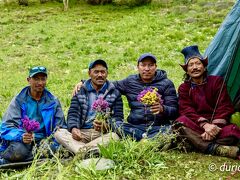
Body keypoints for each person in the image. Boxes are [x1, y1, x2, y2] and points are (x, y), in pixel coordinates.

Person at [73, 53, 178, 141]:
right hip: (135, 126)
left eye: (150, 65)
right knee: (116, 125)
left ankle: (144, 139)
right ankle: (149, 140)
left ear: (155, 67)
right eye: (143, 65)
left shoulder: (166, 83)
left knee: (170, 130)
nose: (146, 69)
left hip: (158, 126)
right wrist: (83, 82)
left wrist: (163, 109)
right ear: (138, 67)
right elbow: (107, 84)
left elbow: (174, 111)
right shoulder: (130, 81)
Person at [175, 45, 240, 159]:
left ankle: (195, 143)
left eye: (198, 63)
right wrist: (205, 125)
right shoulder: (184, 88)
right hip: (197, 125)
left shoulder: (216, 82)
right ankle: (215, 149)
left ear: (204, 67)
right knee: (180, 123)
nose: (195, 67)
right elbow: (186, 110)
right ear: (187, 70)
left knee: (232, 131)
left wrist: (213, 127)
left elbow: (224, 106)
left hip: (216, 127)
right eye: (191, 65)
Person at [54, 59, 123, 155]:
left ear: (107, 73)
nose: (100, 75)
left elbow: (118, 119)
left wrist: (107, 126)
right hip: (82, 133)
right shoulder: (80, 90)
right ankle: (89, 150)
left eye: (103, 72)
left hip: (102, 134)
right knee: (59, 132)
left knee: (114, 136)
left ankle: (80, 151)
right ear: (89, 73)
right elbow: (73, 113)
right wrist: (74, 128)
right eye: (96, 72)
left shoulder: (114, 93)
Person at [0, 66, 66, 165]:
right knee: (18, 151)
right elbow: (6, 127)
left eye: (43, 79)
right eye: (36, 79)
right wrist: (21, 136)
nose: (40, 83)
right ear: (28, 80)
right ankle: (28, 158)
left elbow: (60, 127)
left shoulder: (53, 101)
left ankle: (21, 160)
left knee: (52, 149)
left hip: (44, 140)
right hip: (22, 140)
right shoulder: (19, 100)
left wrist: (53, 141)